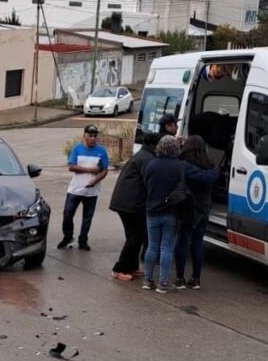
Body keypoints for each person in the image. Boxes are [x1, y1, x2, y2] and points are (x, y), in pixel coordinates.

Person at [142, 136, 219, 293]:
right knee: (168, 247)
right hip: (172, 211)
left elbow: (146, 183)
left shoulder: (151, 165)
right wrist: (218, 170)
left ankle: (148, 280)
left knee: (153, 246)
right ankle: (164, 283)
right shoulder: (179, 166)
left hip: (152, 211)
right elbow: (204, 177)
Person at [109, 132, 161, 281]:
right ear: (154, 145)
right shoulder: (148, 159)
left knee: (138, 236)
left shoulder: (144, 155)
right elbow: (150, 182)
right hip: (130, 204)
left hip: (129, 202)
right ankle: (119, 269)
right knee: (135, 237)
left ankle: (131, 267)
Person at [58, 125, 109, 251]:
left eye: (95, 136)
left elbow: (104, 170)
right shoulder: (77, 149)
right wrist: (90, 170)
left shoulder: (101, 151)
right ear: (84, 135)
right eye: (90, 135)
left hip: (92, 191)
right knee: (68, 214)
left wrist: (95, 180)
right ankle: (68, 236)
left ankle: (83, 240)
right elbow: (71, 166)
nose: (92, 138)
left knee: (87, 217)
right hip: (75, 189)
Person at [174, 136, 215, 290]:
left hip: (187, 208)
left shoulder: (183, 165)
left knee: (182, 242)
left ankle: (180, 278)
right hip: (204, 208)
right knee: (198, 243)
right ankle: (196, 278)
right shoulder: (210, 165)